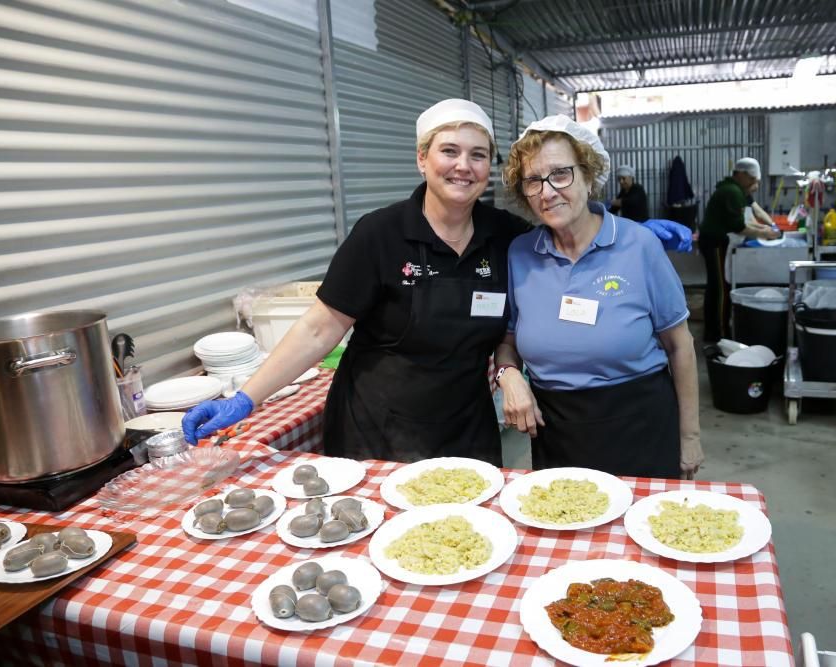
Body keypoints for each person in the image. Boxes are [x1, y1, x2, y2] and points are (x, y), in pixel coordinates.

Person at [181, 100, 689, 465]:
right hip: (377, 431)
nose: (463, 166)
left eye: (478, 154)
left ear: (490, 168)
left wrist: (627, 235)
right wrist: (248, 397)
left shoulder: (505, 237)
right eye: (449, 151)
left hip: (466, 430)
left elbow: (564, 231)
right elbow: (320, 328)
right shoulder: (380, 234)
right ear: (423, 159)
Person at [494, 115, 703, 480]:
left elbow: (680, 345)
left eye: (561, 174)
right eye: (533, 180)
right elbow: (508, 340)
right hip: (555, 431)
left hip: (640, 426)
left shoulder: (639, 245)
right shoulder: (520, 254)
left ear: (589, 176)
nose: (547, 192)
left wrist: (690, 438)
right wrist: (508, 374)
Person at [698, 157, 781, 342]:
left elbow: (755, 213)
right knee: (719, 289)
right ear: (742, 175)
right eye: (753, 179)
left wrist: (771, 226)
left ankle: (717, 330)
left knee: (719, 286)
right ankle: (717, 334)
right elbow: (739, 227)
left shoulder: (737, 189)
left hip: (717, 242)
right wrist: (766, 234)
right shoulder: (731, 192)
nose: (755, 184)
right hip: (715, 243)